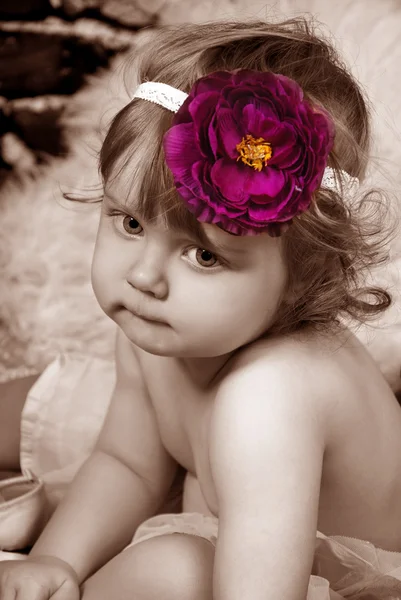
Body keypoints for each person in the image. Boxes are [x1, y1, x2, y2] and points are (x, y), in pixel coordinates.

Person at [1, 14, 401, 600]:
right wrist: (58, 559)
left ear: (303, 281)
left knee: (179, 570)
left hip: (306, 580)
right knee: (46, 404)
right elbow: (129, 463)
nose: (143, 277)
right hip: (226, 504)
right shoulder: (158, 321)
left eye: (205, 257)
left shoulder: (270, 396)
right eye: (130, 223)